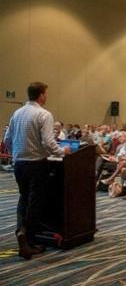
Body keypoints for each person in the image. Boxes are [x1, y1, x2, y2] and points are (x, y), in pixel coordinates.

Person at [4, 82, 71, 260]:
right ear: (41, 95)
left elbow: (7, 139)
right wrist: (62, 152)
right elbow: (49, 143)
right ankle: (29, 239)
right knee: (35, 201)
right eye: (46, 94)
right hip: (36, 164)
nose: (47, 97)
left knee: (23, 198)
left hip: (19, 164)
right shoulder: (44, 114)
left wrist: (17, 153)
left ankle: (21, 231)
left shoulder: (17, 113)